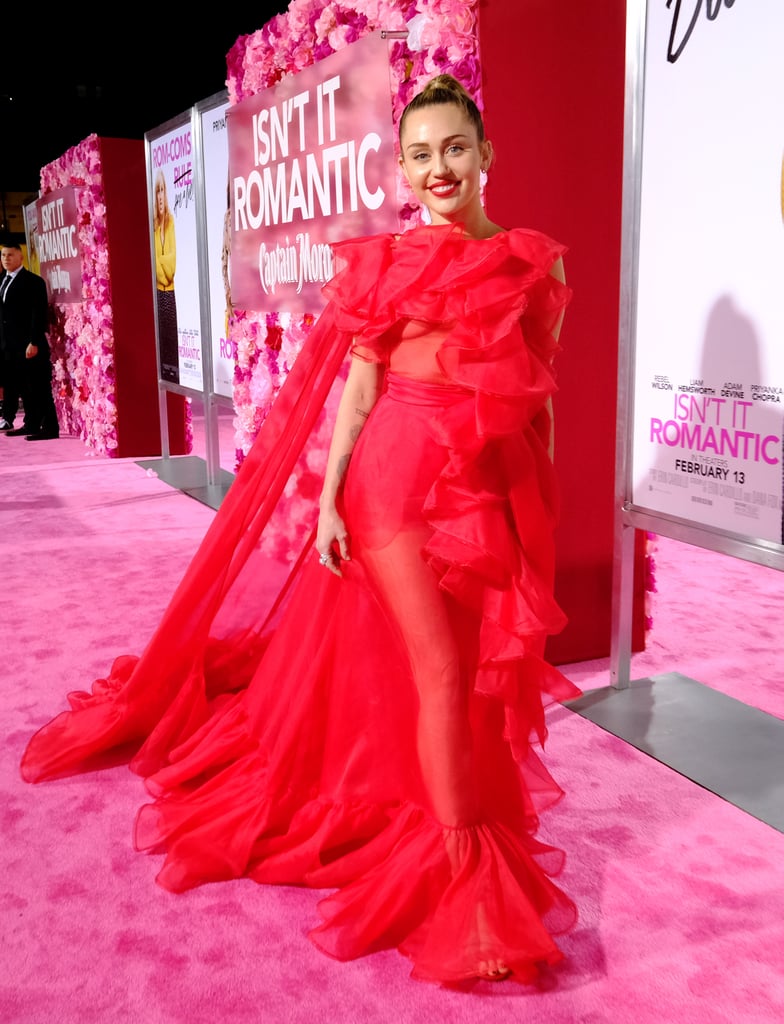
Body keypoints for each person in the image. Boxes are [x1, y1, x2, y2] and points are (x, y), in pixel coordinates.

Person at [21, 75, 581, 985]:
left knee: (466, 672)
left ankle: (439, 807)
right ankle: (462, 870)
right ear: (401, 168)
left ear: (486, 155)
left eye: (455, 148)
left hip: (487, 495)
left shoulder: (534, 262)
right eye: (422, 154)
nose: (441, 167)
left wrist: (535, 509)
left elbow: (538, 395)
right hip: (395, 485)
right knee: (440, 669)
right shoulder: (388, 264)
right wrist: (330, 500)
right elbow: (360, 386)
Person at [0, 241, 59, 440]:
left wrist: (33, 341)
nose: (6, 259)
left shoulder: (33, 281)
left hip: (29, 344)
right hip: (9, 346)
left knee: (39, 386)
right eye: (3, 255)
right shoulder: (2, 280)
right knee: (24, 388)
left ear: (20, 257)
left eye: (10, 255)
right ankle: (31, 423)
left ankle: (50, 427)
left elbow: (38, 313)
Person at [153, 170, 179, 384]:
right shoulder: (152, 228)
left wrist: (159, 265)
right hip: (157, 296)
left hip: (169, 294)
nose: (160, 195)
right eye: (157, 191)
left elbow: (171, 266)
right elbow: (158, 263)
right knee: (161, 344)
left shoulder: (170, 223)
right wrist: (161, 264)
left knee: (172, 343)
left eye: (162, 190)